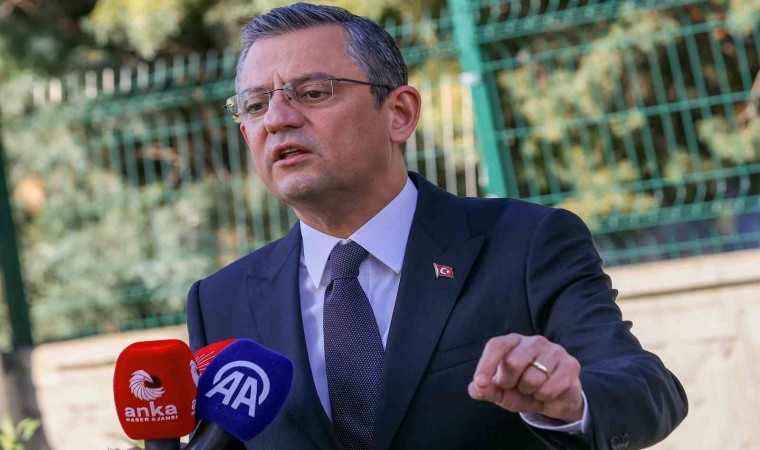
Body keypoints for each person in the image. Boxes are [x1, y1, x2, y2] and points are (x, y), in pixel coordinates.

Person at [185, 3, 688, 449]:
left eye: (313, 92)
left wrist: (572, 400)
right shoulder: (221, 301)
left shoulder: (526, 244)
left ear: (399, 113)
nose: (277, 119)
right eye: (255, 105)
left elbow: (646, 387)